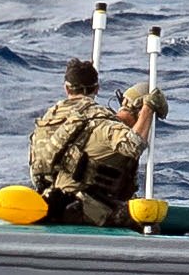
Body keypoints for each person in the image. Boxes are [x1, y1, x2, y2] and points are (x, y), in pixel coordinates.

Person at [26, 59, 162, 229]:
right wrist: (147, 109)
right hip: (84, 208)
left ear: (66, 88)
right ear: (97, 88)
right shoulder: (98, 120)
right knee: (150, 223)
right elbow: (133, 144)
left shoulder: (48, 118)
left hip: (47, 200)